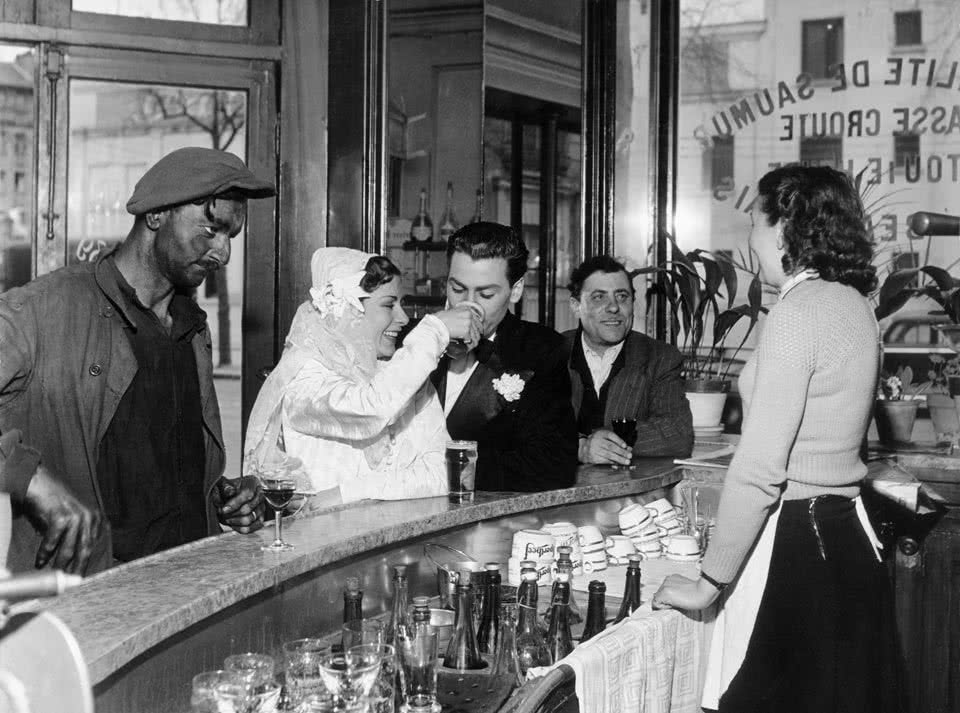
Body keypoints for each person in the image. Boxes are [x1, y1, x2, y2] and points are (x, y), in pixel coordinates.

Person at [653, 165, 902, 712]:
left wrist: (706, 583)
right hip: (847, 538)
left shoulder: (796, 312)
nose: (749, 236)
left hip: (798, 542)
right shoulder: (856, 303)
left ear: (785, 226)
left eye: (754, 220)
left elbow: (761, 467)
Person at [0, 147, 275, 573]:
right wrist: (30, 479)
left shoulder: (190, 329)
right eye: (211, 228)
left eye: (230, 238)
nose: (222, 254)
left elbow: (147, 464)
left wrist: (219, 494)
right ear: (156, 214)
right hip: (89, 603)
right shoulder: (44, 310)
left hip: (188, 592)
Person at [244, 247, 481, 505]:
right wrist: (435, 329)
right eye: (389, 304)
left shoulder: (403, 376)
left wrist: (345, 493)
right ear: (349, 310)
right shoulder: (303, 380)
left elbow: (445, 474)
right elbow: (371, 409)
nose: (403, 318)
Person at [430, 222, 578, 491]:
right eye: (457, 289)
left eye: (486, 294)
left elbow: (554, 465)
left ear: (516, 290)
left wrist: (447, 469)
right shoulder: (415, 339)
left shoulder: (542, 350)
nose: (467, 305)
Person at [563, 255, 693, 464]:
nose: (614, 307)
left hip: (631, 493)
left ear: (633, 302)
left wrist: (601, 440)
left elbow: (678, 435)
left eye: (622, 296)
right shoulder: (549, 353)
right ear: (576, 306)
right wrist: (580, 447)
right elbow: (525, 429)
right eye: (599, 297)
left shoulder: (659, 358)